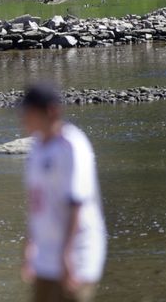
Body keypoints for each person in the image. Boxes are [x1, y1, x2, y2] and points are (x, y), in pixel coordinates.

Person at [19, 83, 107, 302]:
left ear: (51, 111)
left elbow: (76, 203)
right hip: (45, 255)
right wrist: (31, 245)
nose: (23, 119)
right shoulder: (38, 147)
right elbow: (37, 203)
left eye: (29, 113)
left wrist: (67, 255)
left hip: (77, 252)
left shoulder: (72, 146)